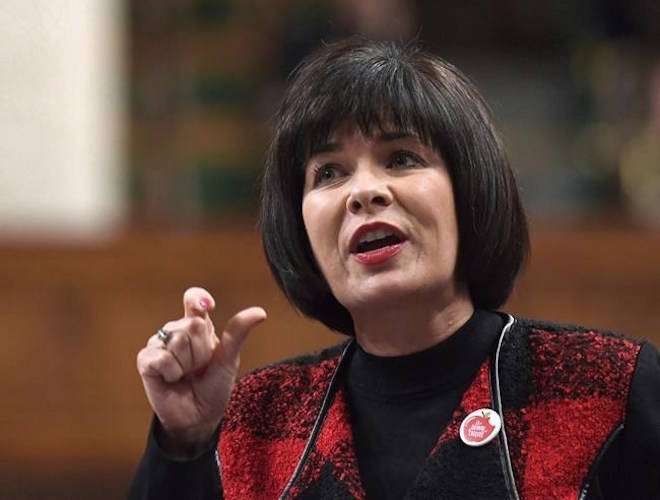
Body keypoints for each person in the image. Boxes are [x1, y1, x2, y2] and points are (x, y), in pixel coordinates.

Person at [128, 38, 660, 499]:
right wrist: (186, 444)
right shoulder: (256, 422)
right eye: (329, 172)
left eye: (402, 158)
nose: (364, 192)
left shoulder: (608, 387)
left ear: (468, 190)